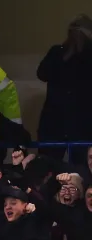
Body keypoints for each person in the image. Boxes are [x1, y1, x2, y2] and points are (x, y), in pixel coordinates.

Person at [37, 15, 92, 148]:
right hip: (54, 123)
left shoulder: (89, 56)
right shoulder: (57, 52)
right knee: (48, 163)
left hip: (82, 125)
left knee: (81, 166)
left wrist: (82, 51)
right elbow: (42, 74)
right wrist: (67, 54)